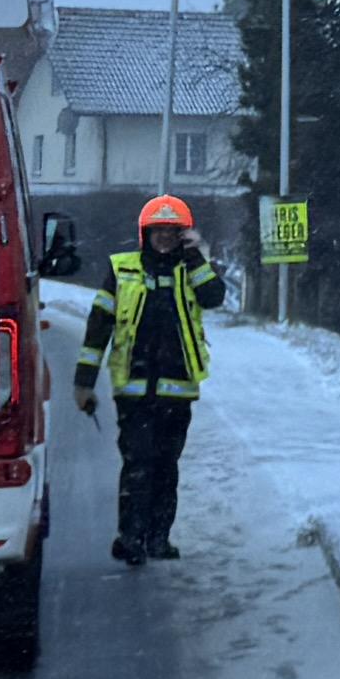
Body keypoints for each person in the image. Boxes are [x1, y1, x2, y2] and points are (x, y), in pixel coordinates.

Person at [80, 193, 226, 565]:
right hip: (134, 390)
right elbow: (99, 324)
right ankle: (130, 538)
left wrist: (194, 255)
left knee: (166, 467)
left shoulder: (191, 269)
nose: (164, 238)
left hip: (177, 391)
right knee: (137, 464)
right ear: (145, 233)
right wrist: (84, 380)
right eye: (158, 231)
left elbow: (213, 296)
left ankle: (159, 539)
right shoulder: (121, 268)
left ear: (183, 235)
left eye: (172, 232)